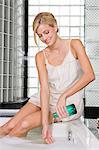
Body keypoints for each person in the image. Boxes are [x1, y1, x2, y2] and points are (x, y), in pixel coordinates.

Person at [0, 12, 95, 144]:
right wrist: (45, 124)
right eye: (40, 36)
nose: (44, 38)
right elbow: (44, 89)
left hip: (68, 104)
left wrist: (64, 96)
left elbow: (90, 75)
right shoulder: (40, 56)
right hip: (46, 97)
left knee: (24, 124)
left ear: (55, 26)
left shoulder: (75, 45)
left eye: (46, 32)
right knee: (8, 126)